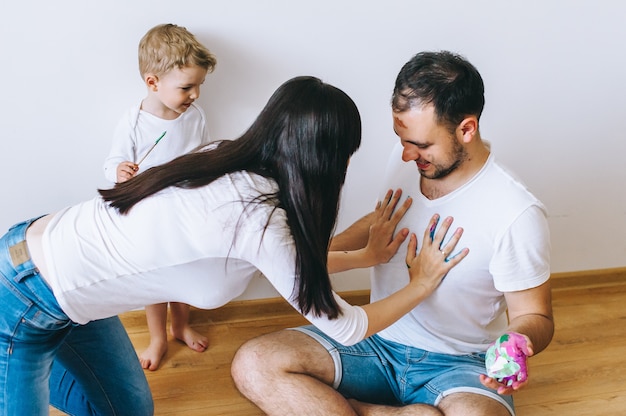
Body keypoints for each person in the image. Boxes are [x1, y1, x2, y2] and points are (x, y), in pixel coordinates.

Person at [0, 76, 466, 416]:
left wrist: (366, 256)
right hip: (23, 293)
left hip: (58, 285)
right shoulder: (257, 214)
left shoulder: (233, 163)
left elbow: (283, 264)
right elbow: (348, 328)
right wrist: (422, 283)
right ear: (323, 158)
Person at [231, 52, 554, 416]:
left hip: (456, 365)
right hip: (373, 342)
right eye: (402, 139)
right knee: (253, 362)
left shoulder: (515, 213)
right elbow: (380, 221)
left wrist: (517, 341)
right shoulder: (410, 159)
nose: (405, 155)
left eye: (420, 144)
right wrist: (309, 256)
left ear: (466, 129)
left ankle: (352, 410)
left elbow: (536, 316)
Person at [102, 23, 217, 370]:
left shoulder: (194, 116)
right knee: (156, 280)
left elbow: (203, 154)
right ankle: (157, 338)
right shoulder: (134, 123)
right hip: (148, 213)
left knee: (184, 274)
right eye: (186, 87)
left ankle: (180, 324)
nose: (195, 94)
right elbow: (112, 161)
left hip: (184, 210)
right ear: (153, 83)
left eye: (199, 85)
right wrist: (119, 171)